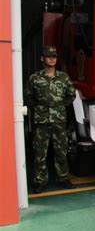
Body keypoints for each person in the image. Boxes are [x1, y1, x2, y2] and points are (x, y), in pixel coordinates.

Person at [24, 46, 76, 194]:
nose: (52, 58)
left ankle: (63, 178)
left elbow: (71, 96)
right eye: (48, 56)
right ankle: (40, 181)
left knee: (61, 150)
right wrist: (41, 107)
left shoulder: (64, 77)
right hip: (41, 120)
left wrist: (59, 106)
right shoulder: (35, 78)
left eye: (54, 56)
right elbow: (28, 96)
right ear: (42, 58)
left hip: (59, 119)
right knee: (40, 151)